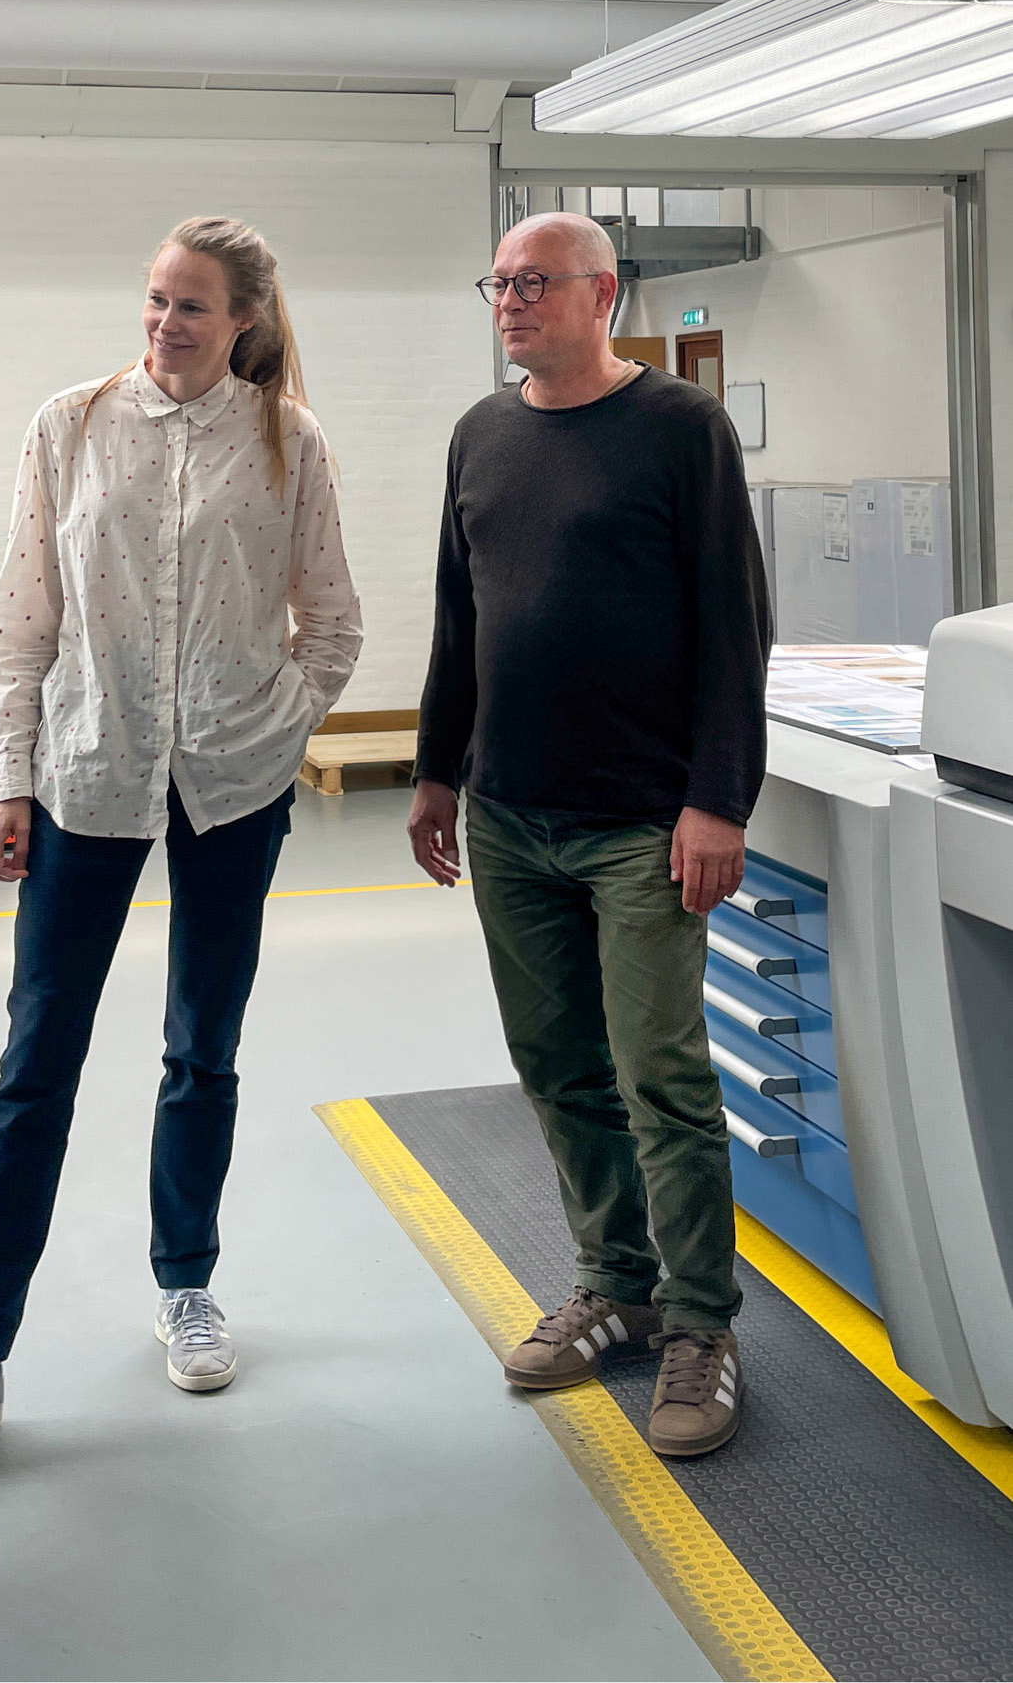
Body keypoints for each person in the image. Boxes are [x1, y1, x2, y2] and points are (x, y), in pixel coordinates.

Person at [0, 215, 362, 1457]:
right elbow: (17, 627)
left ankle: (186, 1283)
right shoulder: (69, 425)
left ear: (243, 317)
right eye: (154, 298)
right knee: (36, 1060)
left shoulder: (289, 438)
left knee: (204, 1047)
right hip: (87, 775)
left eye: (191, 304)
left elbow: (333, 622)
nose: (165, 323)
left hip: (232, 786)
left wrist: (275, 728)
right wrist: (11, 782)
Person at [407, 211, 771, 1460]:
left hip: (643, 821)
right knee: (558, 1066)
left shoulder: (681, 428)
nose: (509, 300)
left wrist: (719, 797)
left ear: (602, 295)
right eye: (498, 281)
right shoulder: (482, 432)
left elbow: (735, 624)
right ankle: (616, 1285)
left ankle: (703, 1322)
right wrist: (436, 771)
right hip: (511, 813)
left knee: (661, 1074)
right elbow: (458, 616)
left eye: (535, 281)